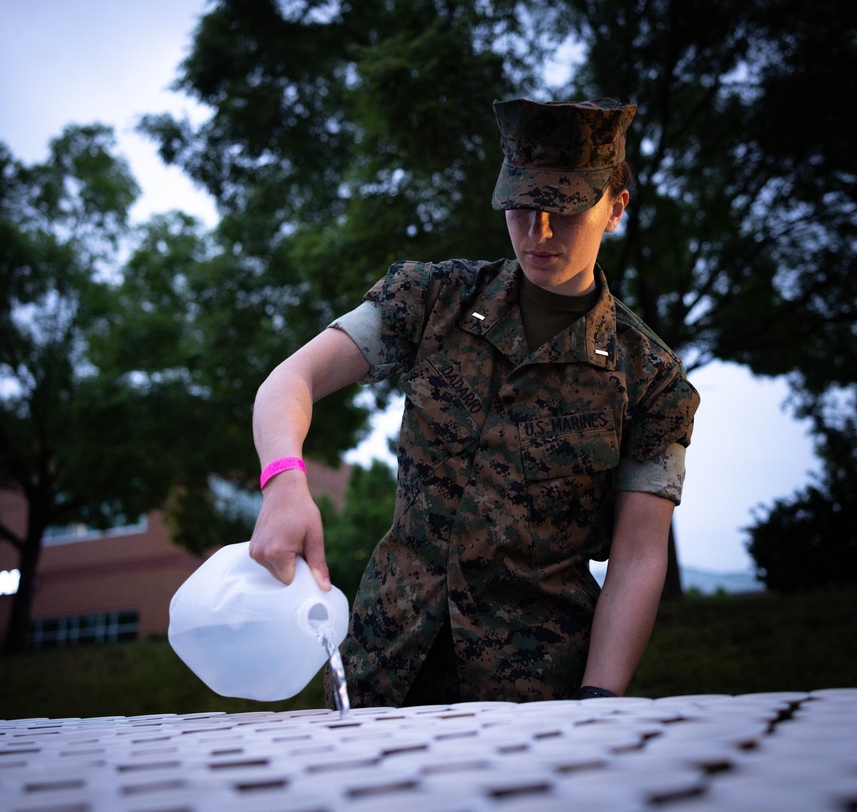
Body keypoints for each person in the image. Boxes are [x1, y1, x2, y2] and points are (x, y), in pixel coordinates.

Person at [249, 97, 701, 707]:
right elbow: (291, 380)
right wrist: (284, 481)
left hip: (534, 696)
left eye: (563, 208)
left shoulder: (650, 378)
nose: (538, 231)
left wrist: (601, 701)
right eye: (520, 206)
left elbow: (639, 558)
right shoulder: (433, 300)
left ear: (614, 209)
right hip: (382, 668)